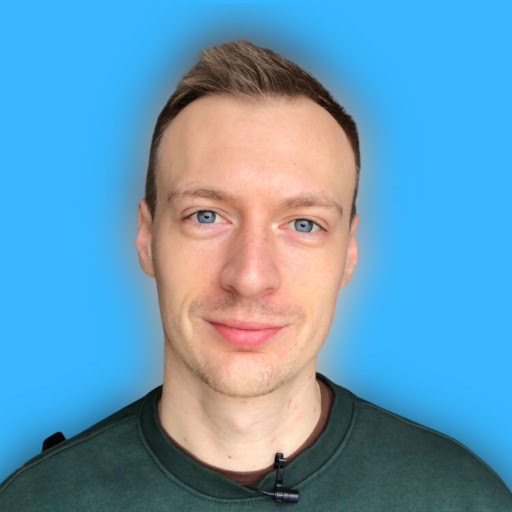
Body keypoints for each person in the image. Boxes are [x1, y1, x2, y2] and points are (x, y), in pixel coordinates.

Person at [1, 39, 510, 511]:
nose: (249, 276)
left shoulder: (464, 498)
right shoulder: (37, 500)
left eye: (303, 224)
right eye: (206, 216)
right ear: (146, 238)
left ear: (349, 253)